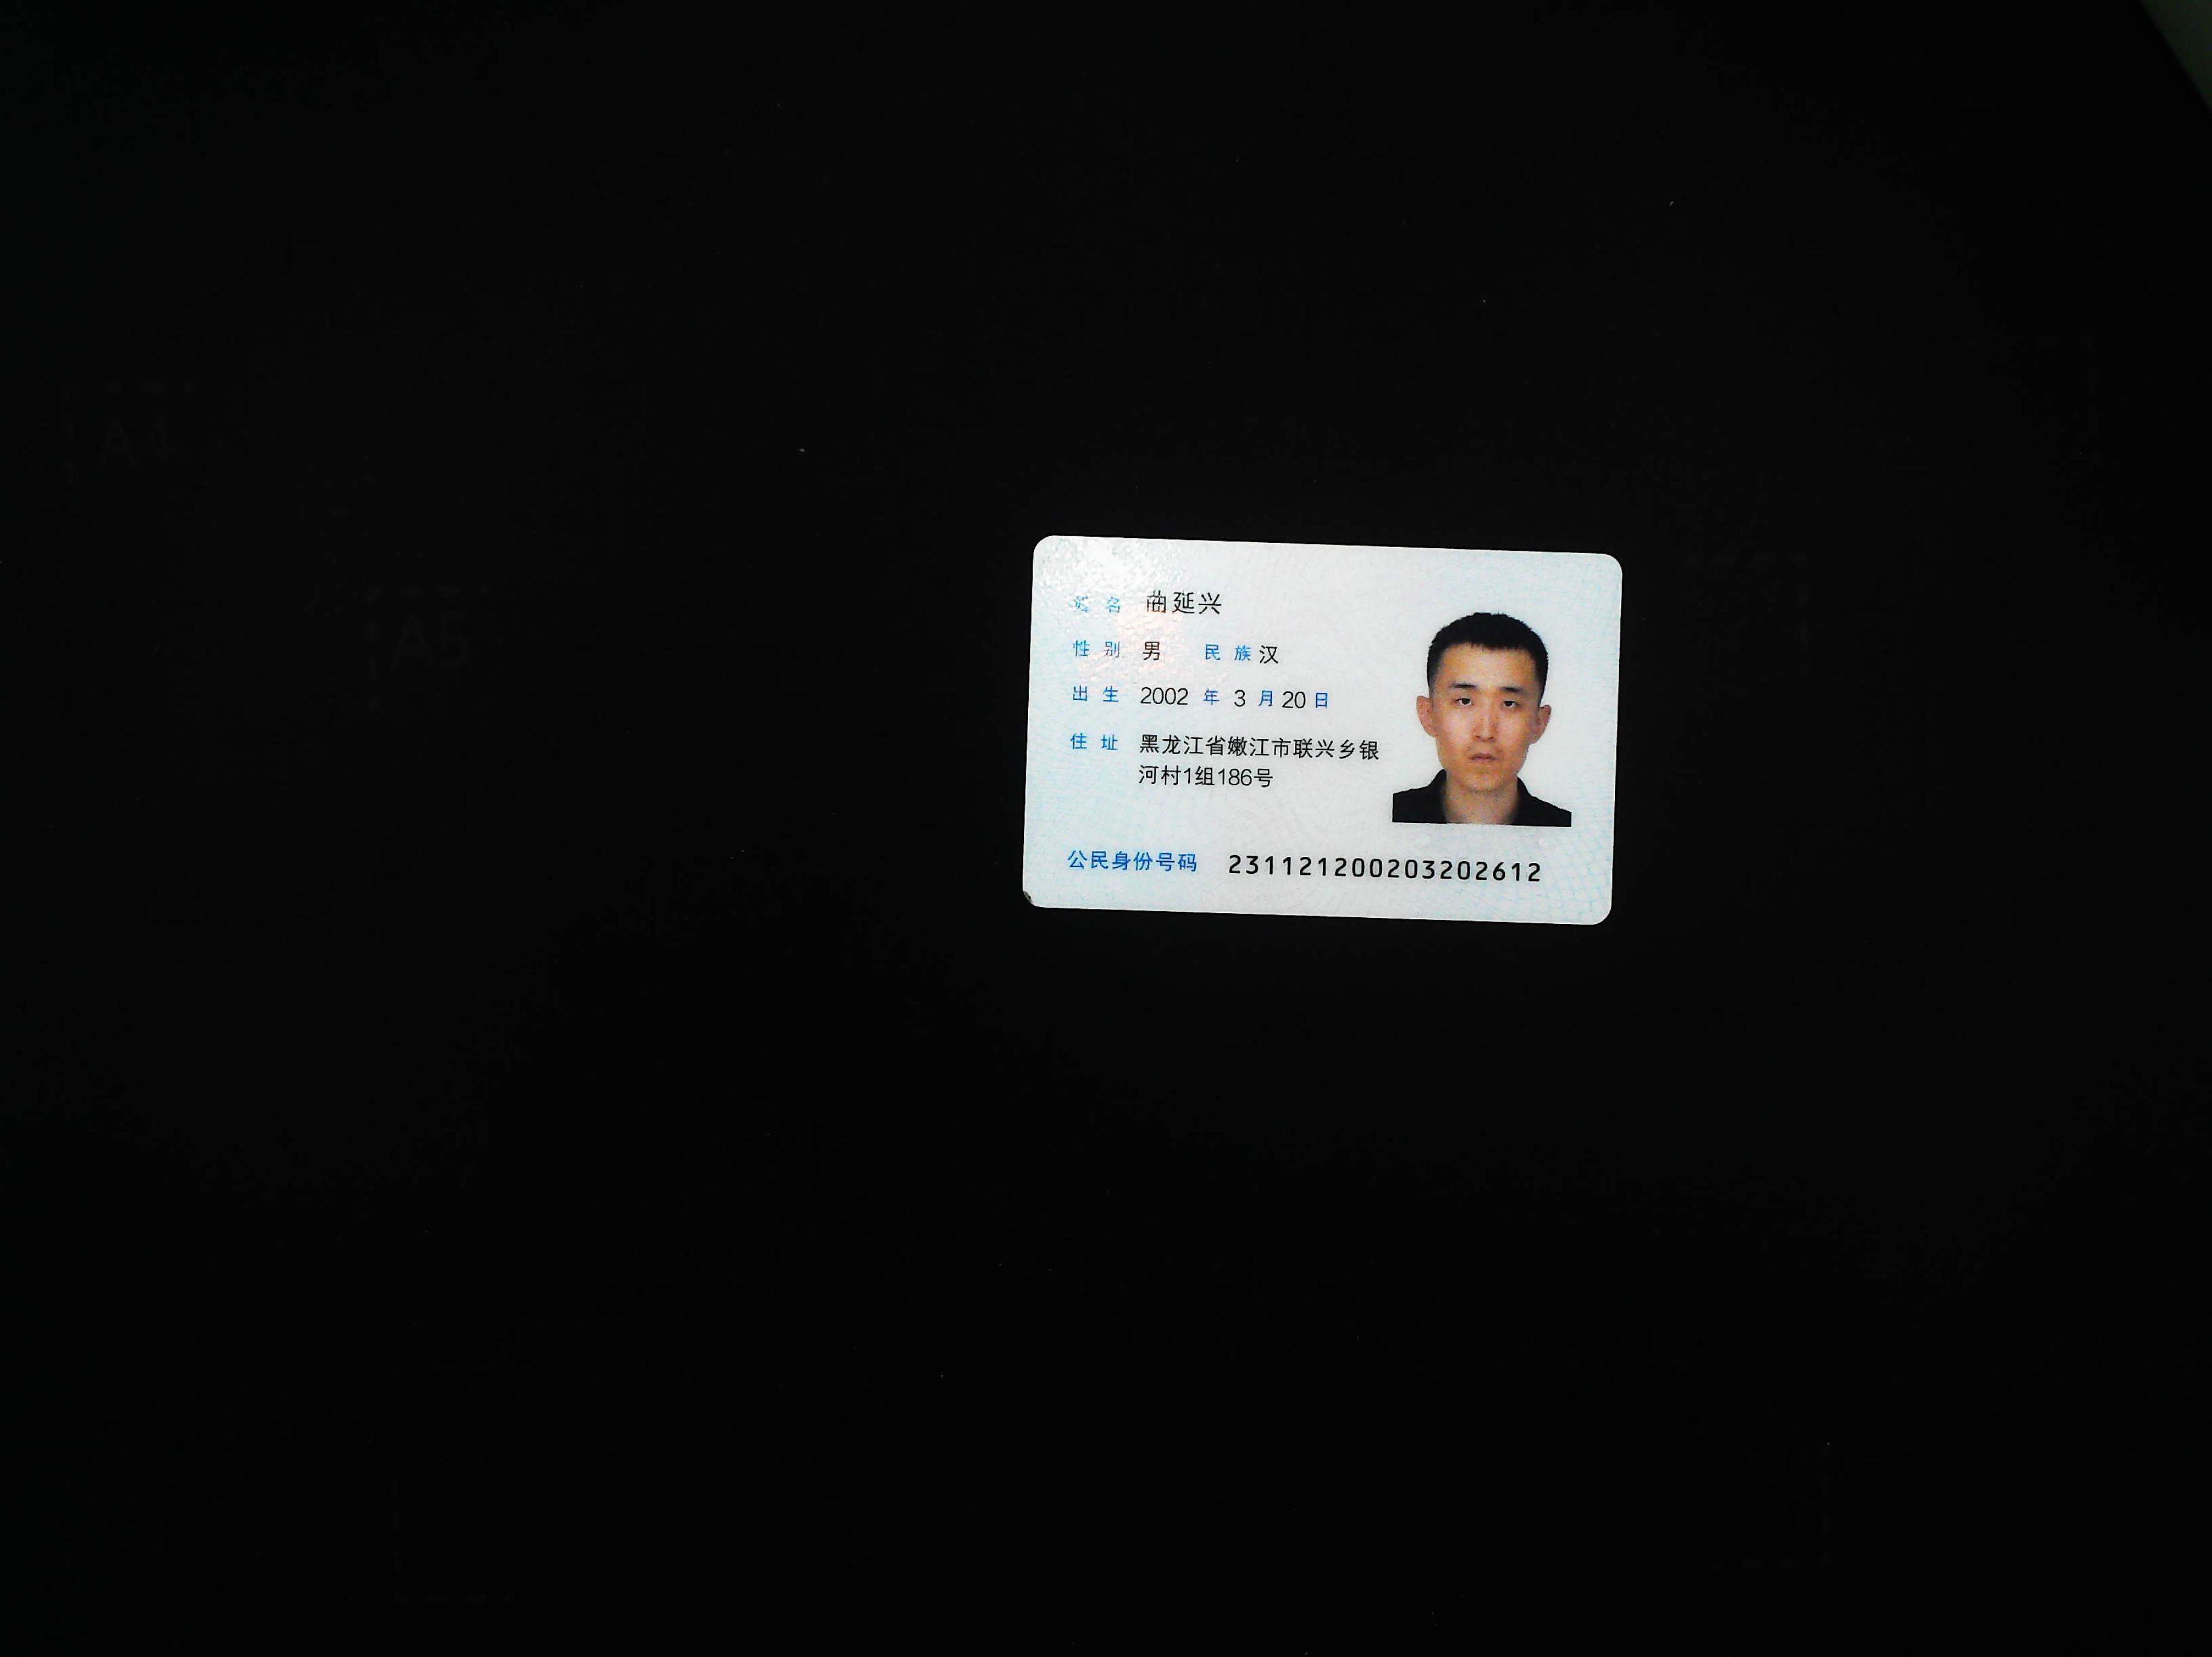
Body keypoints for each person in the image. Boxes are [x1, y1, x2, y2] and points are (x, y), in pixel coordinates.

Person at [1392, 612, 1571, 825]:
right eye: (1465, 701)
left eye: (1509, 704)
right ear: (1428, 715)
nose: (1486, 732)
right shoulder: (1384, 818)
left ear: (1539, 723)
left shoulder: (1570, 831)